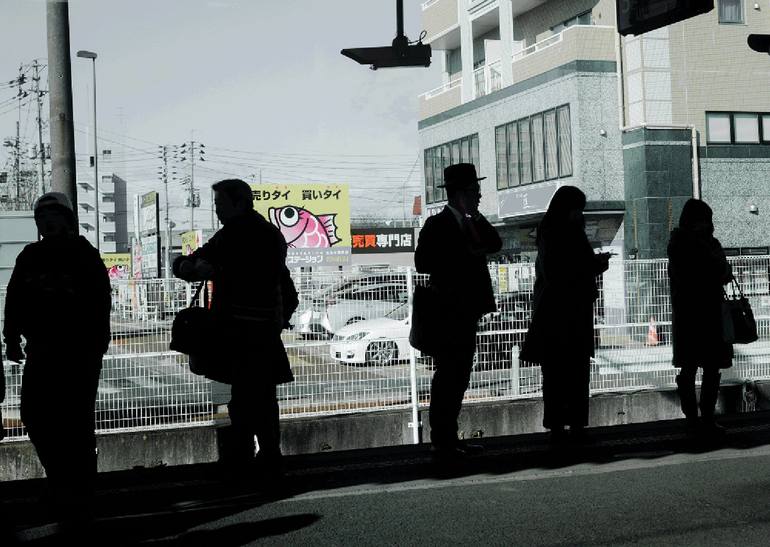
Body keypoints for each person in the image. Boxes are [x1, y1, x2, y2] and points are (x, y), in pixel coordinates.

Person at [2, 192, 112, 527]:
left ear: (67, 219)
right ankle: (65, 482)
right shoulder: (30, 256)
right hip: (43, 349)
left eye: (53, 215)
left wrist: (97, 344)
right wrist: (11, 338)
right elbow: (14, 299)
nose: (47, 222)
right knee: (35, 416)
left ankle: (75, 491)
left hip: (78, 353)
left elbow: (100, 303)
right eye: (42, 218)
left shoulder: (84, 254)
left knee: (74, 424)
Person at [173, 178, 294, 480]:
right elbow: (281, 284)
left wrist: (187, 266)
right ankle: (269, 457)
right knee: (263, 398)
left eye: (220, 205)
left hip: (237, 331)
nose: (217, 211)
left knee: (241, 398)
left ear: (239, 203)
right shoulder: (271, 235)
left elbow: (189, 263)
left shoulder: (231, 236)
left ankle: (241, 459)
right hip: (265, 330)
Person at [414, 163, 502, 458]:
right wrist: (464, 255)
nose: (479, 195)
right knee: (449, 375)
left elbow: (495, 243)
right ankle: (442, 439)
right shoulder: (436, 224)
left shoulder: (473, 221)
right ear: (460, 193)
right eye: (475, 191)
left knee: (458, 375)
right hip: (447, 312)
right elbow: (423, 262)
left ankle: (448, 437)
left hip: (467, 312)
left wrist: (474, 217)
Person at [520, 186, 610, 444]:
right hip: (568, 312)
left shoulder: (549, 230)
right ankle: (575, 424)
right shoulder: (565, 234)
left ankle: (558, 424)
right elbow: (566, 272)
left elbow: (559, 271)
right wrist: (595, 266)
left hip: (554, 312)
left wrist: (591, 266)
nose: (578, 214)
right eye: (576, 209)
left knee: (557, 372)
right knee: (574, 370)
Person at [668, 198, 733, 437]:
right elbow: (720, 272)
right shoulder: (701, 244)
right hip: (704, 312)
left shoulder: (677, 243)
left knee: (691, 366)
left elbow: (718, 272)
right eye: (702, 220)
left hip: (689, 313)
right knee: (707, 366)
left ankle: (696, 418)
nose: (705, 225)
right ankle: (703, 418)